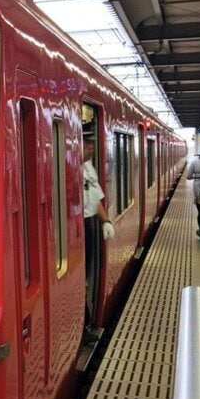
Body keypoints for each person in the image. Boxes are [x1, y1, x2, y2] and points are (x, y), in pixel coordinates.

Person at [82, 137, 114, 339]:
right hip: (76, 229)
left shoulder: (88, 168)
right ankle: (83, 327)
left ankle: (85, 324)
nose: (92, 147)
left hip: (89, 226)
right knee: (81, 279)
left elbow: (96, 199)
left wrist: (106, 221)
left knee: (85, 277)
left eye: (93, 144)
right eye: (87, 144)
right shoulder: (65, 168)